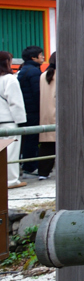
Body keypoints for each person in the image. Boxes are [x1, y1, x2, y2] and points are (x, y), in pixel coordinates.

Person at [0, 51, 27, 189]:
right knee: (11, 152)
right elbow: (15, 102)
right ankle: (10, 180)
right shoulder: (9, 79)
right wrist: (21, 121)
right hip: (9, 121)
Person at [17, 45, 45, 171]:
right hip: (33, 110)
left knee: (29, 138)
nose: (43, 57)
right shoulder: (34, 71)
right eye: (41, 55)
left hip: (27, 110)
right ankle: (30, 167)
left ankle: (28, 165)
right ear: (33, 57)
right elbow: (38, 93)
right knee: (32, 139)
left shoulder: (25, 69)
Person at [36, 51, 56, 179]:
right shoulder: (63, 75)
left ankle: (43, 173)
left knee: (47, 145)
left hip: (45, 114)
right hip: (57, 114)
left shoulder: (43, 75)